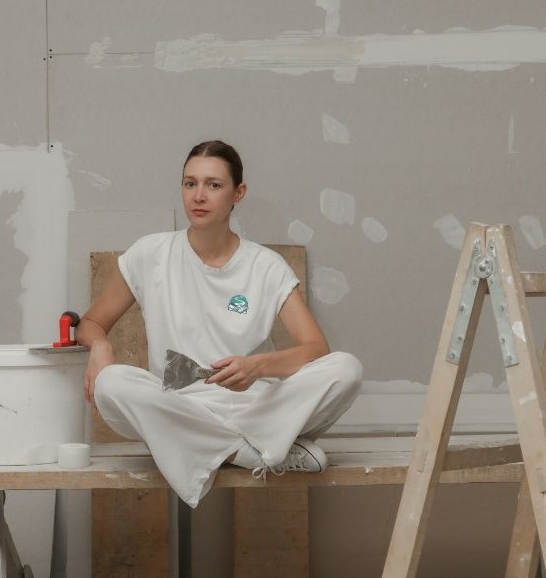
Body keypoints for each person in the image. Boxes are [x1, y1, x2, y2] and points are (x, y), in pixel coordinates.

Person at [75, 140, 363, 508]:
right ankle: (248, 453)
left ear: (237, 193)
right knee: (113, 382)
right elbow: (91, 322)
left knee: (347, 369)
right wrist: (100, 346)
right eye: (189, 183)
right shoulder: (151, 254)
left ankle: (226, 445)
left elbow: (315, 349)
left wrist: (258, 366)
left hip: (255, 407)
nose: (198, 195)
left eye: (213, 185)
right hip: (178, 408)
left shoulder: (266, 265)